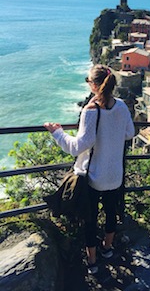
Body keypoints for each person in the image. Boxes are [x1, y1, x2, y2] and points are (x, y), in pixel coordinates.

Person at [44, 64, 135, 275]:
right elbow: (129, 133)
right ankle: (107, 249)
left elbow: (77, 146)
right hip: (115, 175)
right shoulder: (121, 106)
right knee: (111, 212)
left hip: (94, 178)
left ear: (94, 86)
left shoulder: (91, 110)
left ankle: (92, 261)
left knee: (90, 219)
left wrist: (57, 132)